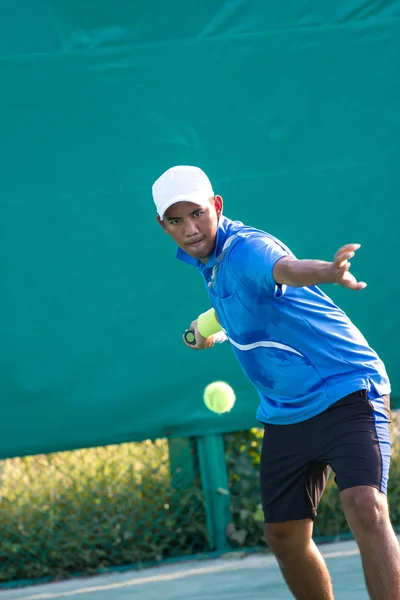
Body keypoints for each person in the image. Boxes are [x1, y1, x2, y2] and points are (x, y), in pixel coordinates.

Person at [152, 165, 400, 600]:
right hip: (287, 411)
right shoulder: (207, 260)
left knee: (365, 506)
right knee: (284, 537)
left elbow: (284, 269)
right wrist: (206, 327)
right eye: (176, 220)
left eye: (197, 214)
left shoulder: (247, 248)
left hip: (346, 388)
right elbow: (237, 297)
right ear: (163, 225)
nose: (190, 229)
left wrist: (326, 270)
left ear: (217, 206)